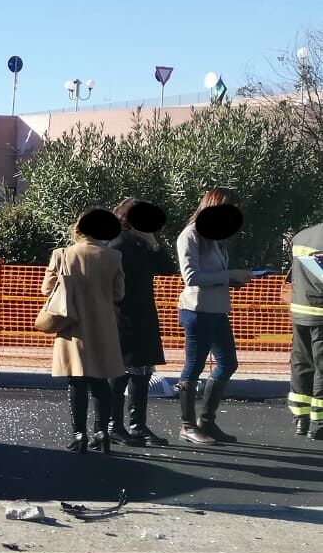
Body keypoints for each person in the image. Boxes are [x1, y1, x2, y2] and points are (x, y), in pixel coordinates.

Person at [44, 208, 125, 452]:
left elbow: (47, 289)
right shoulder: (114, 257)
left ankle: (79, 434)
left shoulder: (62, 254)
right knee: (100, 379)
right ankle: (102, 432)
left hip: (72, 325)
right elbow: (119, 294)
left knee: (76, 380)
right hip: (103, 325)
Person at [175, 188, 250, 444]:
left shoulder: (216, 239)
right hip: (196, 310)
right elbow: (191, 278)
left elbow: (213, 275)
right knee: (194, 366)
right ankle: (187, 425)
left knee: (228, 363)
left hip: (216, 309)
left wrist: (233, 280)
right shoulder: (191, 235)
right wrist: (229, 276)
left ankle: (206, 421)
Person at [107, 199, 173, 447]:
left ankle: (138, 425)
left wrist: (154, 242)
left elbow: (168, 269)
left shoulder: (143, 244)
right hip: (122, 315)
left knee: (143, 372)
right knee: (122, 371)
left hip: (144, 313)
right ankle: (114, 425)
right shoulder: (118, 243)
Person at [286, 218, 323, 440]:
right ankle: (319, 422)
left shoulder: (300, 236)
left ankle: (301, 419)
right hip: (321, 313)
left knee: (301, 363)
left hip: (300, 311)